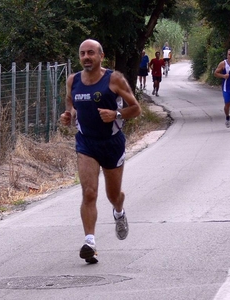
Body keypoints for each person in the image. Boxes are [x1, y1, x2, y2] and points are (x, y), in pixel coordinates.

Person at [60, 39, 142, 264]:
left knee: (112, 195)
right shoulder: (73, 80)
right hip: (86, 143)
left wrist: (116, 115)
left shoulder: (114, 79)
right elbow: (70, 101)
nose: (86, 57)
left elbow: (135, 108)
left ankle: (119, 211)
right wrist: (68, 114)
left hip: (112, 143)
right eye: (82, 53)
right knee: (89, 192)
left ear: (101, 56)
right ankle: (90, 243)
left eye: (91, 53)